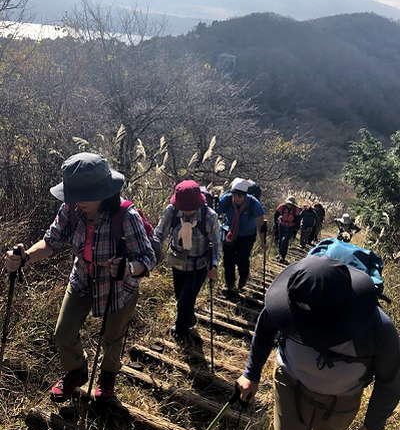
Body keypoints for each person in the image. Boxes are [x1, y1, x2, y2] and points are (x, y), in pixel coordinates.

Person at [5, 153, 156, 402]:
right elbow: (50, 241)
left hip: (118, 287)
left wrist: (128, 268)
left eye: (83, 197)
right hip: (83, 278)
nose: (76, 202)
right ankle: (76, 371)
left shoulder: (126, 216)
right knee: (63, 333)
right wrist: (24, 258)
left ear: (104, 192)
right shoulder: (72, 209)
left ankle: (107, 379)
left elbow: (148, 258)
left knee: (112, 338)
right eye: (73, 196)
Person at [236, 256, 400, 430]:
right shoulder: (290, 300)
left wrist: (372, 428)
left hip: (341, 402)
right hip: (289, 385)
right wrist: (251, 373)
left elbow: (389, 380)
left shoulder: (378, 328)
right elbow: (265, 328)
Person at [152, 180, 220, 342]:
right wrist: (152, 251)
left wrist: (214, 264)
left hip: (200, 265)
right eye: (184, 208)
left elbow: (217, 242)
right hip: (178, 262)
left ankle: (180, 330)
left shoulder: (209, 216)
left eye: (190, 208)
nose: (187, 212)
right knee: (180, 297)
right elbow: (159, 233)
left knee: (185, 299)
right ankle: (189, 318)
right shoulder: (172, 211)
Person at [218, 178, 266, 295]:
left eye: (240, 196)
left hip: (247, 236)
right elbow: (215, 213)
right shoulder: (226, 200)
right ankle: (230, 285)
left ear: (245, 195)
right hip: (229, 233)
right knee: (228, 260)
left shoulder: (254, 203)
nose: (236, 198)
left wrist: (263, 242)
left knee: (242, 258)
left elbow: (261, 223)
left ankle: (243, 277)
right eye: (234, 195)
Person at [274, 196, 301, 264]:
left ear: (293, 204)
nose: (289, 204)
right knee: (280, 240)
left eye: (290, 203)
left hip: (290, 227)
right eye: (288, 203)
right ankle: (279, 254)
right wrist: (275, 225)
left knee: (285, 240)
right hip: (281, 225)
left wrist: (295, 230)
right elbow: (276, 215)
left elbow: (298, 220)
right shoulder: (281, 207)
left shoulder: (296, 209)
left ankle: (282, 256)